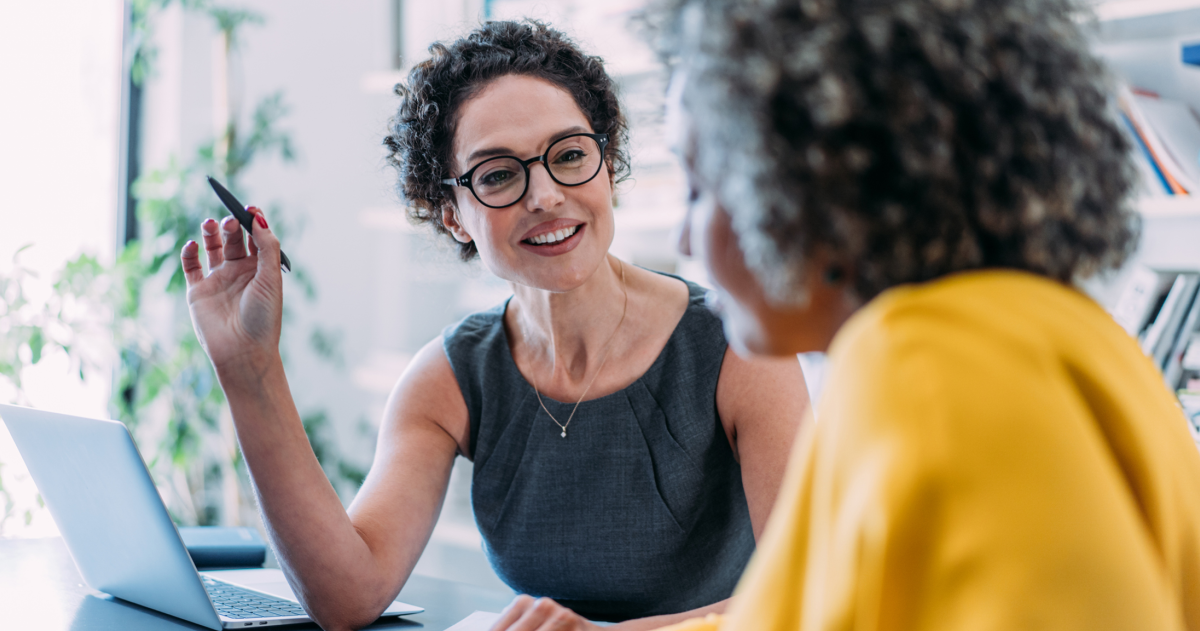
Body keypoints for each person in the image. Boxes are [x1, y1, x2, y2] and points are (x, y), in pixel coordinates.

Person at [179, 19, 808, 631]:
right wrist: (248, 368)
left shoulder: (740, 347)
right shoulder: (450, 377)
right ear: (451, 213)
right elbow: (348, 597)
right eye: (500, 174)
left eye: (569, 155)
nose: (544, 196)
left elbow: (810, 594)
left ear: (607, 165)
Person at [598, 0, 1198, 629]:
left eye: (699, 186)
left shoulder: (928, 364)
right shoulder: (1059, 334)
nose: (688, 242)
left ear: (804, 180)